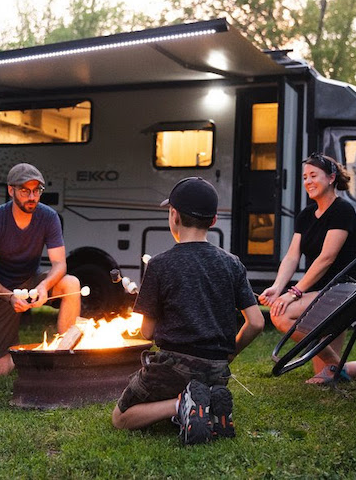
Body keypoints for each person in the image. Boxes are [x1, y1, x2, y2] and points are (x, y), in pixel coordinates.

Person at [111, 177, 265, 445]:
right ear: (214, 220)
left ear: (174, 215)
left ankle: (182, 404)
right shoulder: (232, 264)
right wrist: (231, 353)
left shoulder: (160, 265)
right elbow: (256, 323)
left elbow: (147, 332)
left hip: (173, 367)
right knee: (201, 383)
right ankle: (210, 408)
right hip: (216, 369)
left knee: (120, 418)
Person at [259, 153, 356, 384]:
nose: (308, 182)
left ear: (331, 178)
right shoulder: (306, 215)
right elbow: (292, 256)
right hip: (319, 293)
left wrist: (294, 292)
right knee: (324, 372)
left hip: (341, 292)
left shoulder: (343, 211)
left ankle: (334, 367)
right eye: (304, 177)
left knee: (280, 315)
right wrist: (277, 286)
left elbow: (327, 258)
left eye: (313, 175)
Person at [0, 163, 81, 377]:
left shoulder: (49, 217)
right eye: (25, 190)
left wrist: (44, 286)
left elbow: (60, 264)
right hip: (1, 291)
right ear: (11, 190)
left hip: (32, 282)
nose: (32, 196)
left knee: (72, 283)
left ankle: (65, 353)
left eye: (37, 190)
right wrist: (9, 297)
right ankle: (25, 356)